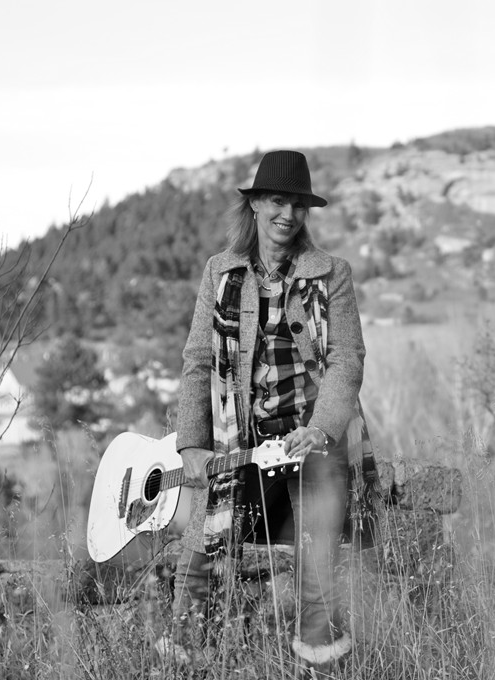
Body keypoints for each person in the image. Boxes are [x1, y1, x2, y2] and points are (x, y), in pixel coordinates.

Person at [163, 149, 378, 673]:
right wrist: (192, 444)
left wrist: (321, 428)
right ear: (256, 203)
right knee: (201, 559)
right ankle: (188, 661)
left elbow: (347, 359)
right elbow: (198, 361)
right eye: (278, 201)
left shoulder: (332, 274)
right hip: (242, 443)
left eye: (299, 205)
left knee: (317, 564)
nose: (289, 214)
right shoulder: (220, 273)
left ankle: (318, 663)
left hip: (312, 442)